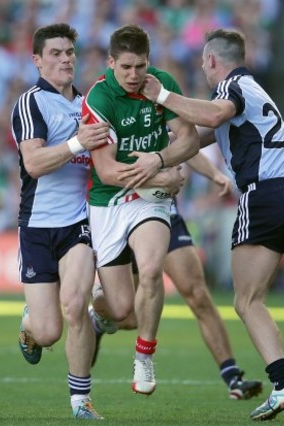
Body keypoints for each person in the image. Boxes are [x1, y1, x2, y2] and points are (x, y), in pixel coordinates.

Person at [141, 28, 284, 422]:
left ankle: (283, 383)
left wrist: (161, 95)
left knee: (247, 300)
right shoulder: (254, 91)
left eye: (203, 64)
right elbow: (195, 139)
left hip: (266, 196)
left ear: (211, 61)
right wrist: (154, 155)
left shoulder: (233, 86)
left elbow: (213, 113)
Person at [81, 24, 199, 396]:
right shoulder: (98, 100)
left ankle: (144, 358)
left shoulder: (161, 84)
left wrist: (160, 160)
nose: (134, 75)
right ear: (111, 62)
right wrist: (159, 176)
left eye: (141, 66)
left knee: (150, 270)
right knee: (121, 311)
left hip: (151, 201)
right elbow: (107, 171)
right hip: (109, 201)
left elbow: (191, 138)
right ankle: (97, 314)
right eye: (126, 67)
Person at [90, 151, 263, 400]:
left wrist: (214, 174)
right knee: (130, 318)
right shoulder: (114, 116)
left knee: (197, 293)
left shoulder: (164, 112)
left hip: (163, 212)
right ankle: (97, 319)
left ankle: (232, 376)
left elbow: (185, 144)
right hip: (120, 214)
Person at [10, 23, 110, 420]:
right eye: (55, 53)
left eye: (70, 52)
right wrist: (76, 143)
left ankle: (81, 402)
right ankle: (30, 321)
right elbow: (33, 164)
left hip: (78, 223)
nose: (66, 58)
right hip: (36, 225)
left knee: (76, 306)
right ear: (37, 60)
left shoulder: (91, 105)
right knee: (49, 331)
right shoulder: (31, 102)